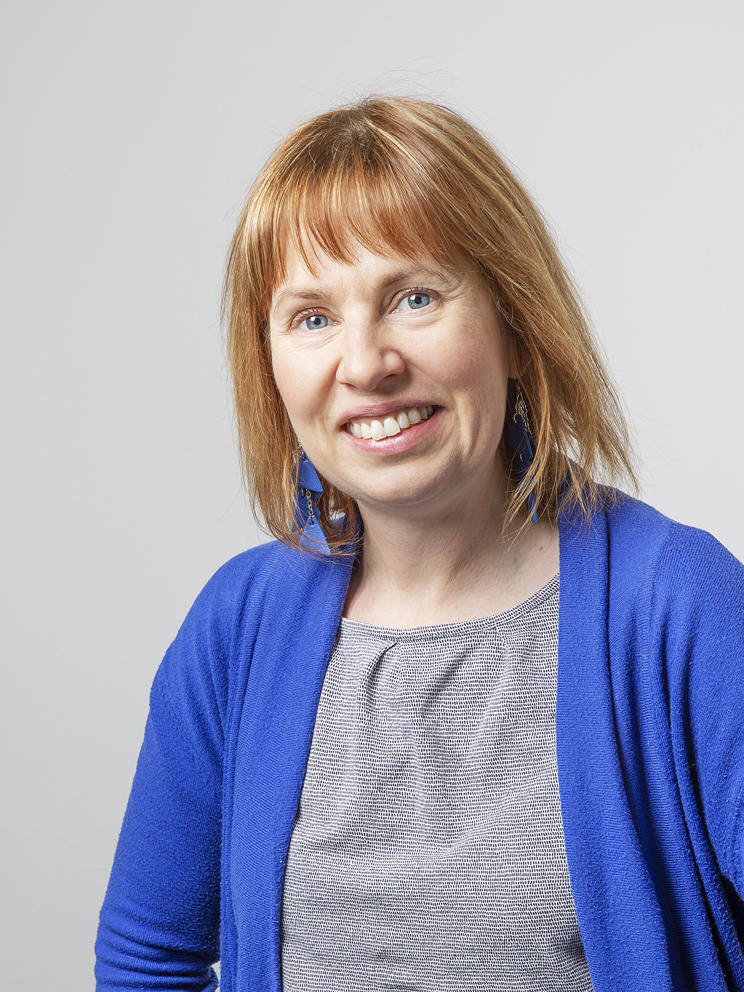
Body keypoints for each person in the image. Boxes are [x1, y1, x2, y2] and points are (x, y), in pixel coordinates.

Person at [94, 95, 744, 992]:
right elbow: (146, 963)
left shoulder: (680, 606)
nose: (366, 364)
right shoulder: (236, 628)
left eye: (415, 298)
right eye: (312, 317)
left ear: (516, 321)